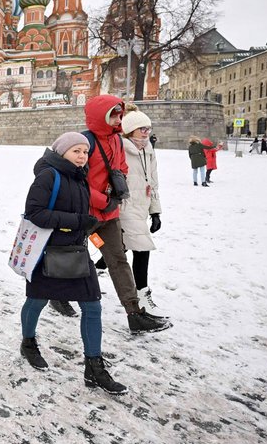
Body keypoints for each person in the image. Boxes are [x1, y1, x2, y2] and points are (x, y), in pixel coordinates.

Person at [18, 133, 127, 395]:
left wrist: (91, 226)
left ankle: (94, 366)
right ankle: (28, 342)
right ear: (61, 151)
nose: (81, 156)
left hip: (77, 251)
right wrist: (77, 221)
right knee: (37, 301)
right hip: (48, 253)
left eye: (85, 152)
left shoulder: (80, 178)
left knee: (92, 306)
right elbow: (35, 213)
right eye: (76, 151)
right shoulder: (48, 176)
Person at [83, 95, 169, 334]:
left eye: (121, 115)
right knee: (76, 256)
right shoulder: (85, 141)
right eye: (114, 114)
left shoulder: (119, 143)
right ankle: (55, 294)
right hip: (85, 215)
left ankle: (135, 313)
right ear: (101, 115)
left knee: (118, 260)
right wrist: (104, 199)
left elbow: (122, 169)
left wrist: (117, 195)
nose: (119, 119)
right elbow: (79, 182)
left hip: (110, 214)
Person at [120, 107, 166, 317]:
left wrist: (155, 212)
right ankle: (141, 293)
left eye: (148, 128)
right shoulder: (120, 148)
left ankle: (92, 269)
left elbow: (153, 183)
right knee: (142, 247)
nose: (146, 132)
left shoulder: (148, 149)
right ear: (130, 130)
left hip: (142, 207)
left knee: (117, 252)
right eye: (141, 128)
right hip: (124, 207)